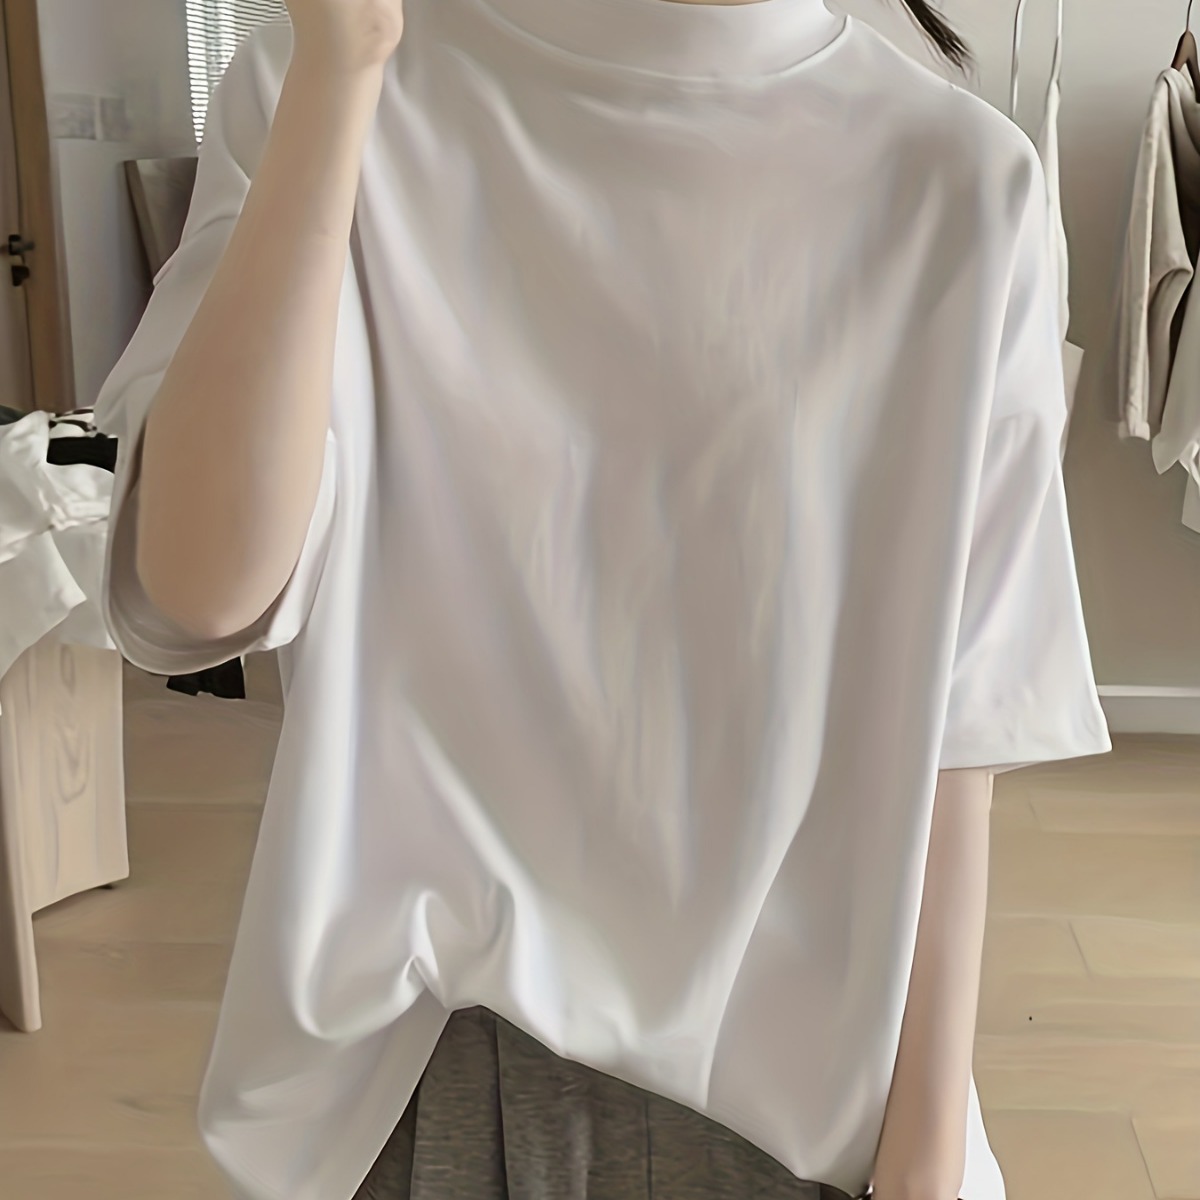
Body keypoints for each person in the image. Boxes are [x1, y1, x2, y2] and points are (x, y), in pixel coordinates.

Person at [93, 0, 1112, 1197]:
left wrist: (927, 1154)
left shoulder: (961, 181)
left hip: (811, 1114)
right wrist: (342, 62)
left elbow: (959, 728)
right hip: (419, 1067)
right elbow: (201, 589)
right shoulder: (325, 77)